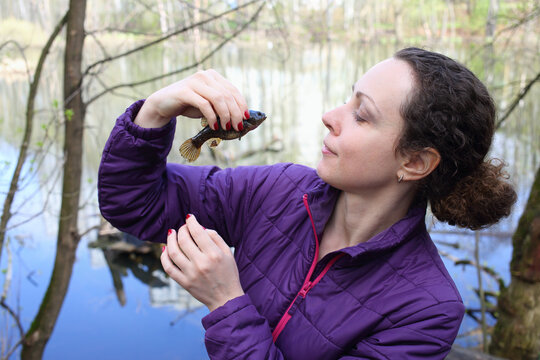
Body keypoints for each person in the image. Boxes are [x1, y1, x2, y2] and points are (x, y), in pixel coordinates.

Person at [98, 47, 516, 359]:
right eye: (348, 99)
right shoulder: (279, 189)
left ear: (415, 161)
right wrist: (153, 114)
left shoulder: (425, 309)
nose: (330, 115)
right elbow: (136, 204)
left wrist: (226, 303)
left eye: (361, 114)